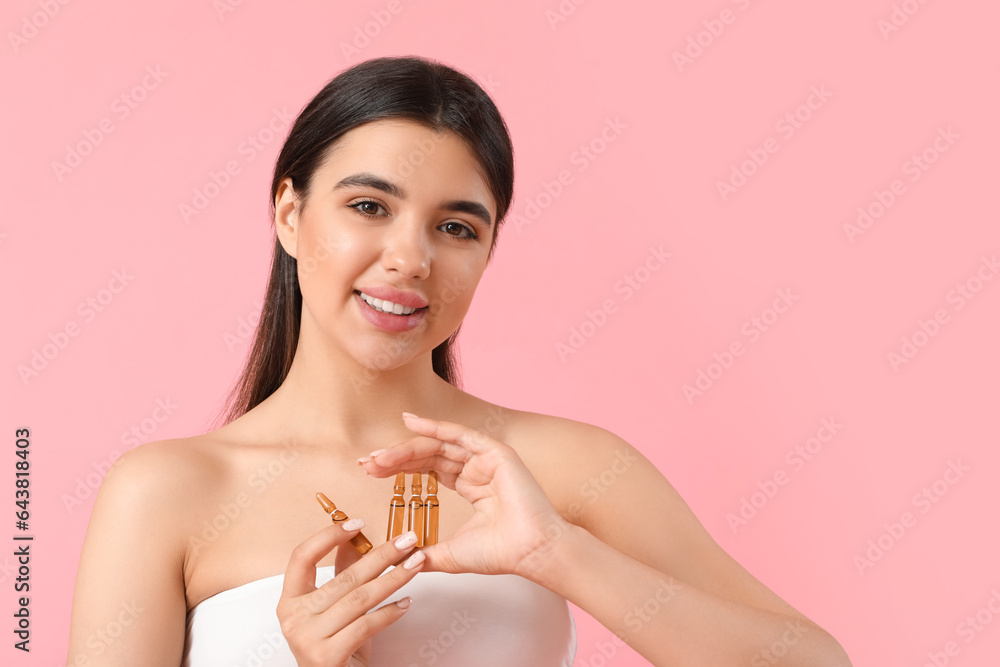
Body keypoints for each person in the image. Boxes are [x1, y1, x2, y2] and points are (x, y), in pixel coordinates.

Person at [66, 56, 853, 666]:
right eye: (369, 206)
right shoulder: (165, 493)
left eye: (457, 227)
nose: (410, 259)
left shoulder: (565, 466)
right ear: (290, 212)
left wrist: (558, 553)